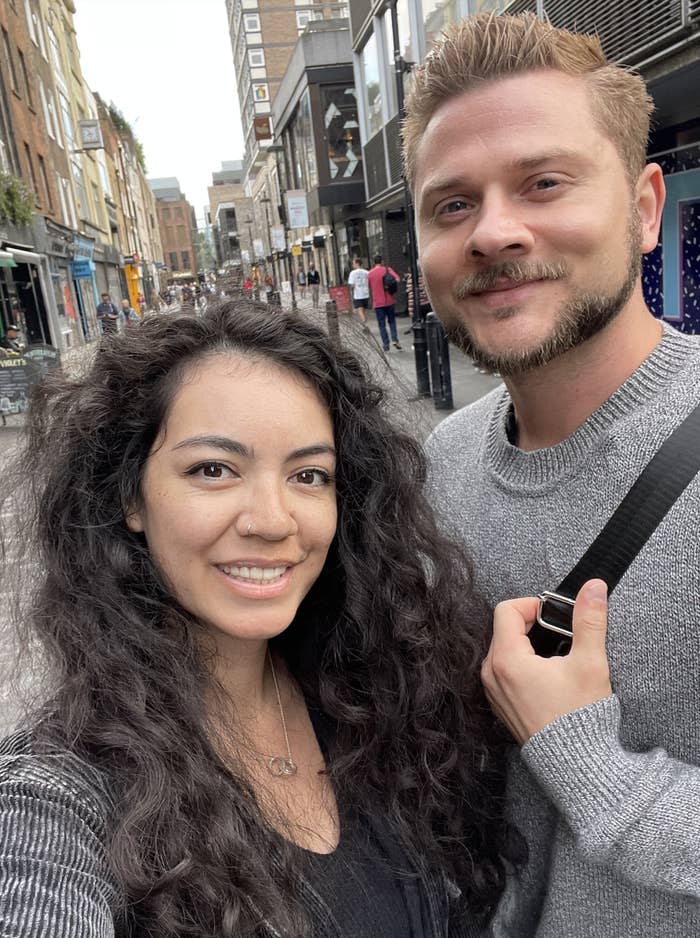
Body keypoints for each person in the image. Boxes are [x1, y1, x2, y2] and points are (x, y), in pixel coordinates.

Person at [0, 300, 517, 937]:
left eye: (308, 475)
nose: (272, 521)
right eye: (213, 470)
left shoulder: (376, 698)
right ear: (130, 494)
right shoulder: (59, 794)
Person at [404, 12, 700, 937]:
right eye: (453, 205)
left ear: (646, 209)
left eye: (544, 182)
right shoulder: (443, 459)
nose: (494, 232)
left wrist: (588, 759)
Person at [367, 255, 402, 352]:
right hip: (389, 300)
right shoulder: (387, 270)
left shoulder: (370, 273)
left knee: (381, 324)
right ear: (382, 261)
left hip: (378, 303)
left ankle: (386, 344)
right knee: (392, 321)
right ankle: (395, 339)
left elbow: (369, 286)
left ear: (374, 262)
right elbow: (397, 279)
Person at [347, 256, 369, 326]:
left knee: (359, 310)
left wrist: (351, 292)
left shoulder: (352, 273)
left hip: (358, 295)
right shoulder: (367, 272)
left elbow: (352, 285)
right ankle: (364, 323)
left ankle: (365, 323)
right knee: (362, 310)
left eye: (353, 263)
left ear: (357, 263)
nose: (352, 265)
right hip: (366, 294)